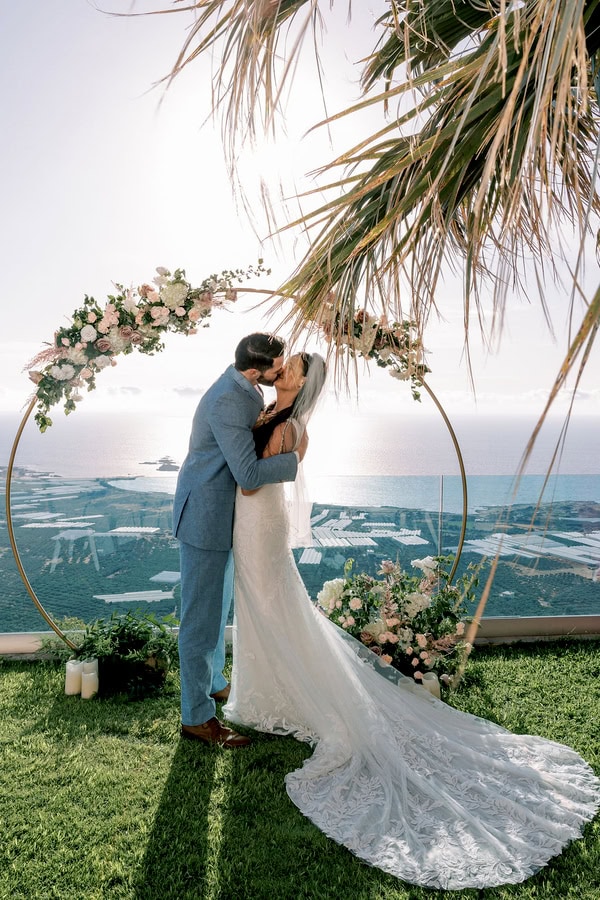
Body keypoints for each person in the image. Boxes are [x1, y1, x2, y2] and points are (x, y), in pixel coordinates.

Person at [223, 352, 600, 890]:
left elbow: (255, 482)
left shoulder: (290, 426)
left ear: (305, 383)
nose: (285, 366)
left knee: (271, 603)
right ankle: (265, 690)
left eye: (297, 364)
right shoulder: (267, 413)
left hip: (259, 520)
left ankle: (284, 693)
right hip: (251, 523)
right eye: (286, 361)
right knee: (266, 607)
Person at [173, 333, 307, 748]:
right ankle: (196, 717)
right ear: (255, 371)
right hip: (205, 519)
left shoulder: (243, 387)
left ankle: (213, 682)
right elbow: (248, 475)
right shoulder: (230, 399)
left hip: (227, 518)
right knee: (200, 620)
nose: (281, 371)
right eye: (276, 368)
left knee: (217, 609)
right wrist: (294, 460)